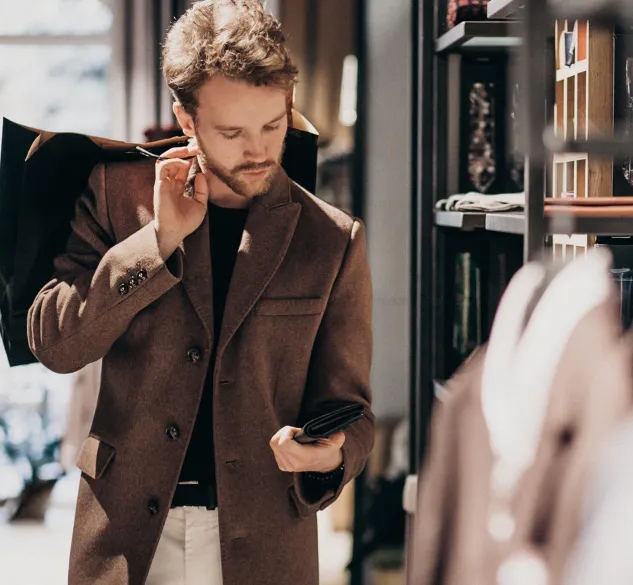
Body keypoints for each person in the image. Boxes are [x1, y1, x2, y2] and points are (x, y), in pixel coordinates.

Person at [26, 1, 374, 583]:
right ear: (186, 119)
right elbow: (55, 343)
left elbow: (355, 416)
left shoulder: (331, 239)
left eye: (272, 124)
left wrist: (329, 455)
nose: (260, 150)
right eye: (233, 132)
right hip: (125, 539)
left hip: (264, 542)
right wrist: (156, 242)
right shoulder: (116, 196)